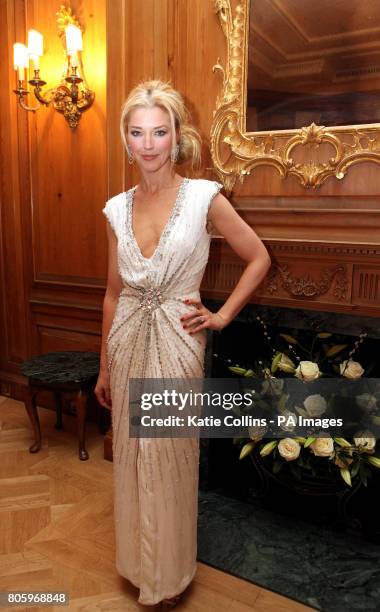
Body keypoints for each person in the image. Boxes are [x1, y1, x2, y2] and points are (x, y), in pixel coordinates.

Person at [95, 79, 271, 610]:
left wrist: (219, 317)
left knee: (168, 460)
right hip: (125, 340)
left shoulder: (204, 197)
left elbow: (258, 257)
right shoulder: (113, 209)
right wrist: (103, 366)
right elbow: (111, 293)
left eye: (159, 132)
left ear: (176, 136)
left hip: (177, 342)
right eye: (137, 132)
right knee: (131, 457)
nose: (148, 144)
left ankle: (167, 576)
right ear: (126, 140)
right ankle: (136, 564)